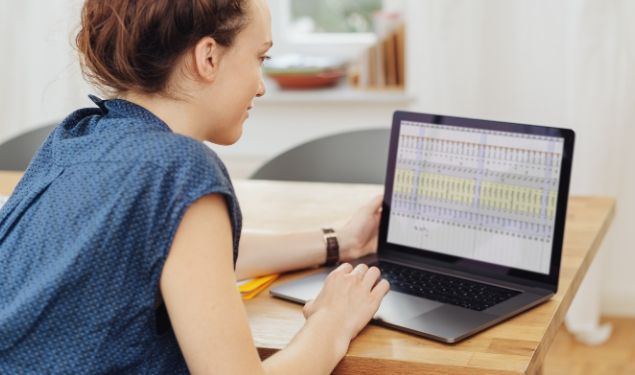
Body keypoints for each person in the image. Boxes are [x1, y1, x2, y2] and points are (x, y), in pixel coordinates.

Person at [0, 0, 389, 373]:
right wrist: (332, 322)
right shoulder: (180, 168)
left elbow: (182, 256)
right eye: (260, 58)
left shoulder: (80, 134)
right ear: (208, 58)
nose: (260, 87)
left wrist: (341, 240)